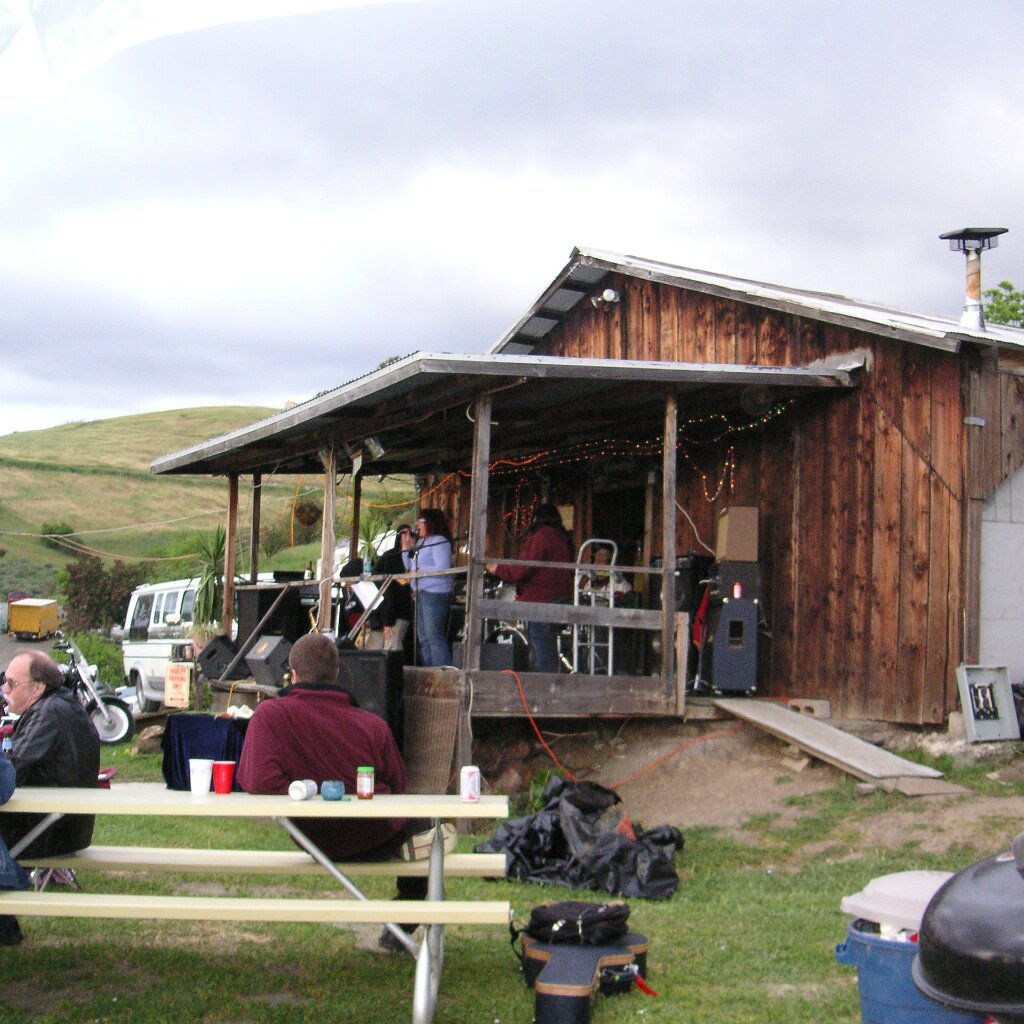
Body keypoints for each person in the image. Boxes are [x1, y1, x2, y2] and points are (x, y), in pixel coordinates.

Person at [236, 632, 444, 951]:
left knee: (427, 835)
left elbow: (258, 781)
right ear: (336, 673)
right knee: (428, 832)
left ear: (293, 674)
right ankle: (402, 923)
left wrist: (302, 791)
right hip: (375, 837)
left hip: (313, 837)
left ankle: (401, 925)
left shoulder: (271, 715)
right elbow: (398, 789)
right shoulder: (373, 725)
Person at [0, 651, 101, 946]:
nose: (4, 689)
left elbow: (11, 771)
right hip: (64, 824)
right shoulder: (60, 706)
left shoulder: (48, 714)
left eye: (11, 683)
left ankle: (6, 916)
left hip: (49, 831)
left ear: (37, 688)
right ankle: (5, 929)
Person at [487, 503, 573, 673]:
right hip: (560, 597)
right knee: (548, 645)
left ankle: (545, 683)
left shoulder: (542, 536)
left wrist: (499, 569)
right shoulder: (563, 538)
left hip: (542, 599)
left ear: (537, 518)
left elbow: (525, 567)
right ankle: (552, 680)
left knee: (541, 645)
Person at [401, 508, 454, 667]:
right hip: (420, 592)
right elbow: (409, 566)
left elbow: (443, 568)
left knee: (434, 637)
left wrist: (418, 570)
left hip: (435, 593)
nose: (418, 525)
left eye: (421, 521)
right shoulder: (420, 542)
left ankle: (441, 672)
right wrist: (406, 548)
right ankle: (429, 671)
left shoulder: (439, 541)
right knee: (423, 639)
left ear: (431, 522)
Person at [364, 525, 413, 655]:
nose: (407, 536)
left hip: (402, 608)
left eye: (410, 533)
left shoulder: (414, 554)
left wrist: (389, 622)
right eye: (404, 533)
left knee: (392, 645)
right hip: (386, 608)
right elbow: (382, 583)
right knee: (377, 648)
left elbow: (398, 590)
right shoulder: (390, 556)